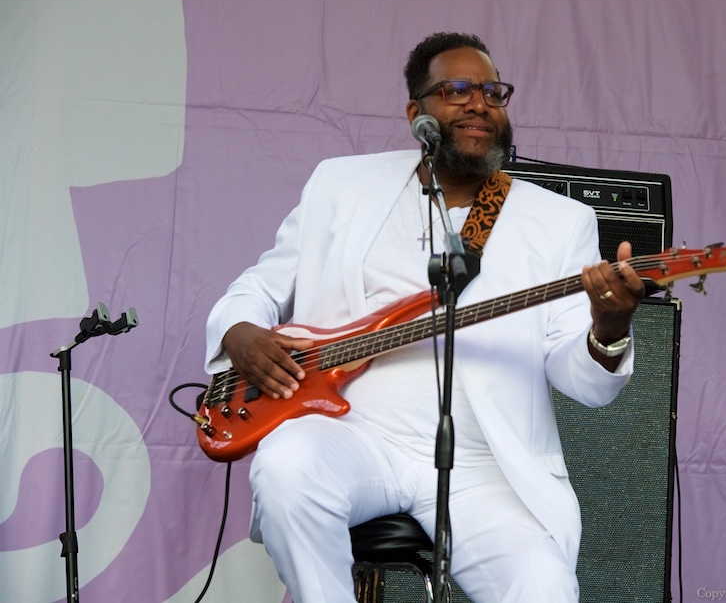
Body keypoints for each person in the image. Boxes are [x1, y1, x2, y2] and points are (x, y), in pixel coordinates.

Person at [204, 32, 646, 602]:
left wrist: (609, 331)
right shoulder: (339, 185)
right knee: (287, 467)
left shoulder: (560, 222)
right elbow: (262, 285)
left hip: (483, 462)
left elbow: (580, 378)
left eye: (492, 91)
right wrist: (240, 333)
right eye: (457, 89)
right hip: (351, 433)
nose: (479, 103)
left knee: (542, 587)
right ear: (418, 113)